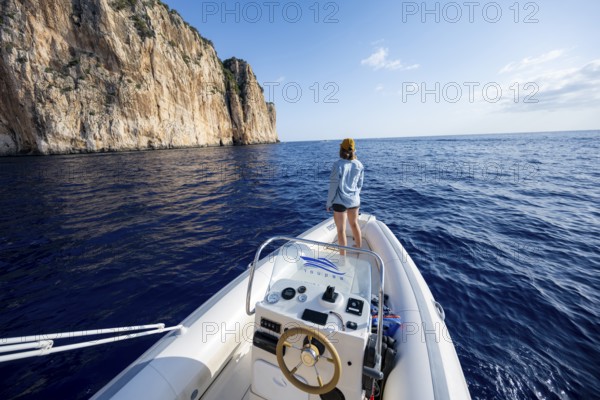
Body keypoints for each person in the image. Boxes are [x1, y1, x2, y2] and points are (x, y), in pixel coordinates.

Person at [326, 138, 364, 255]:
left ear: (341, 149)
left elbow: (333, 186)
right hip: (354, 201)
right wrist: (353, 195)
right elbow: (359, 185)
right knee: (354, 224)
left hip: (340, 202)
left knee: (341, 229)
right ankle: (358, 249)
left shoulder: (337, 165)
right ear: (354, 150)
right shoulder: (359, 164)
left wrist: (329, 203)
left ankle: (343, 258)